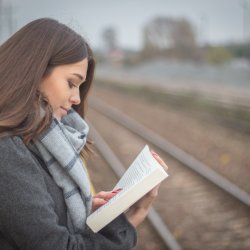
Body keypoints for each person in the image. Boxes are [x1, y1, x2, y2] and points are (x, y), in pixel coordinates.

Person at [0, 18, 167, 250]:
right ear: (35, 70)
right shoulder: (6, 150)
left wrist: (79, 211)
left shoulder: (29, 142)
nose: (77, 98)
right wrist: (132, 217)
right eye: (71, 83)